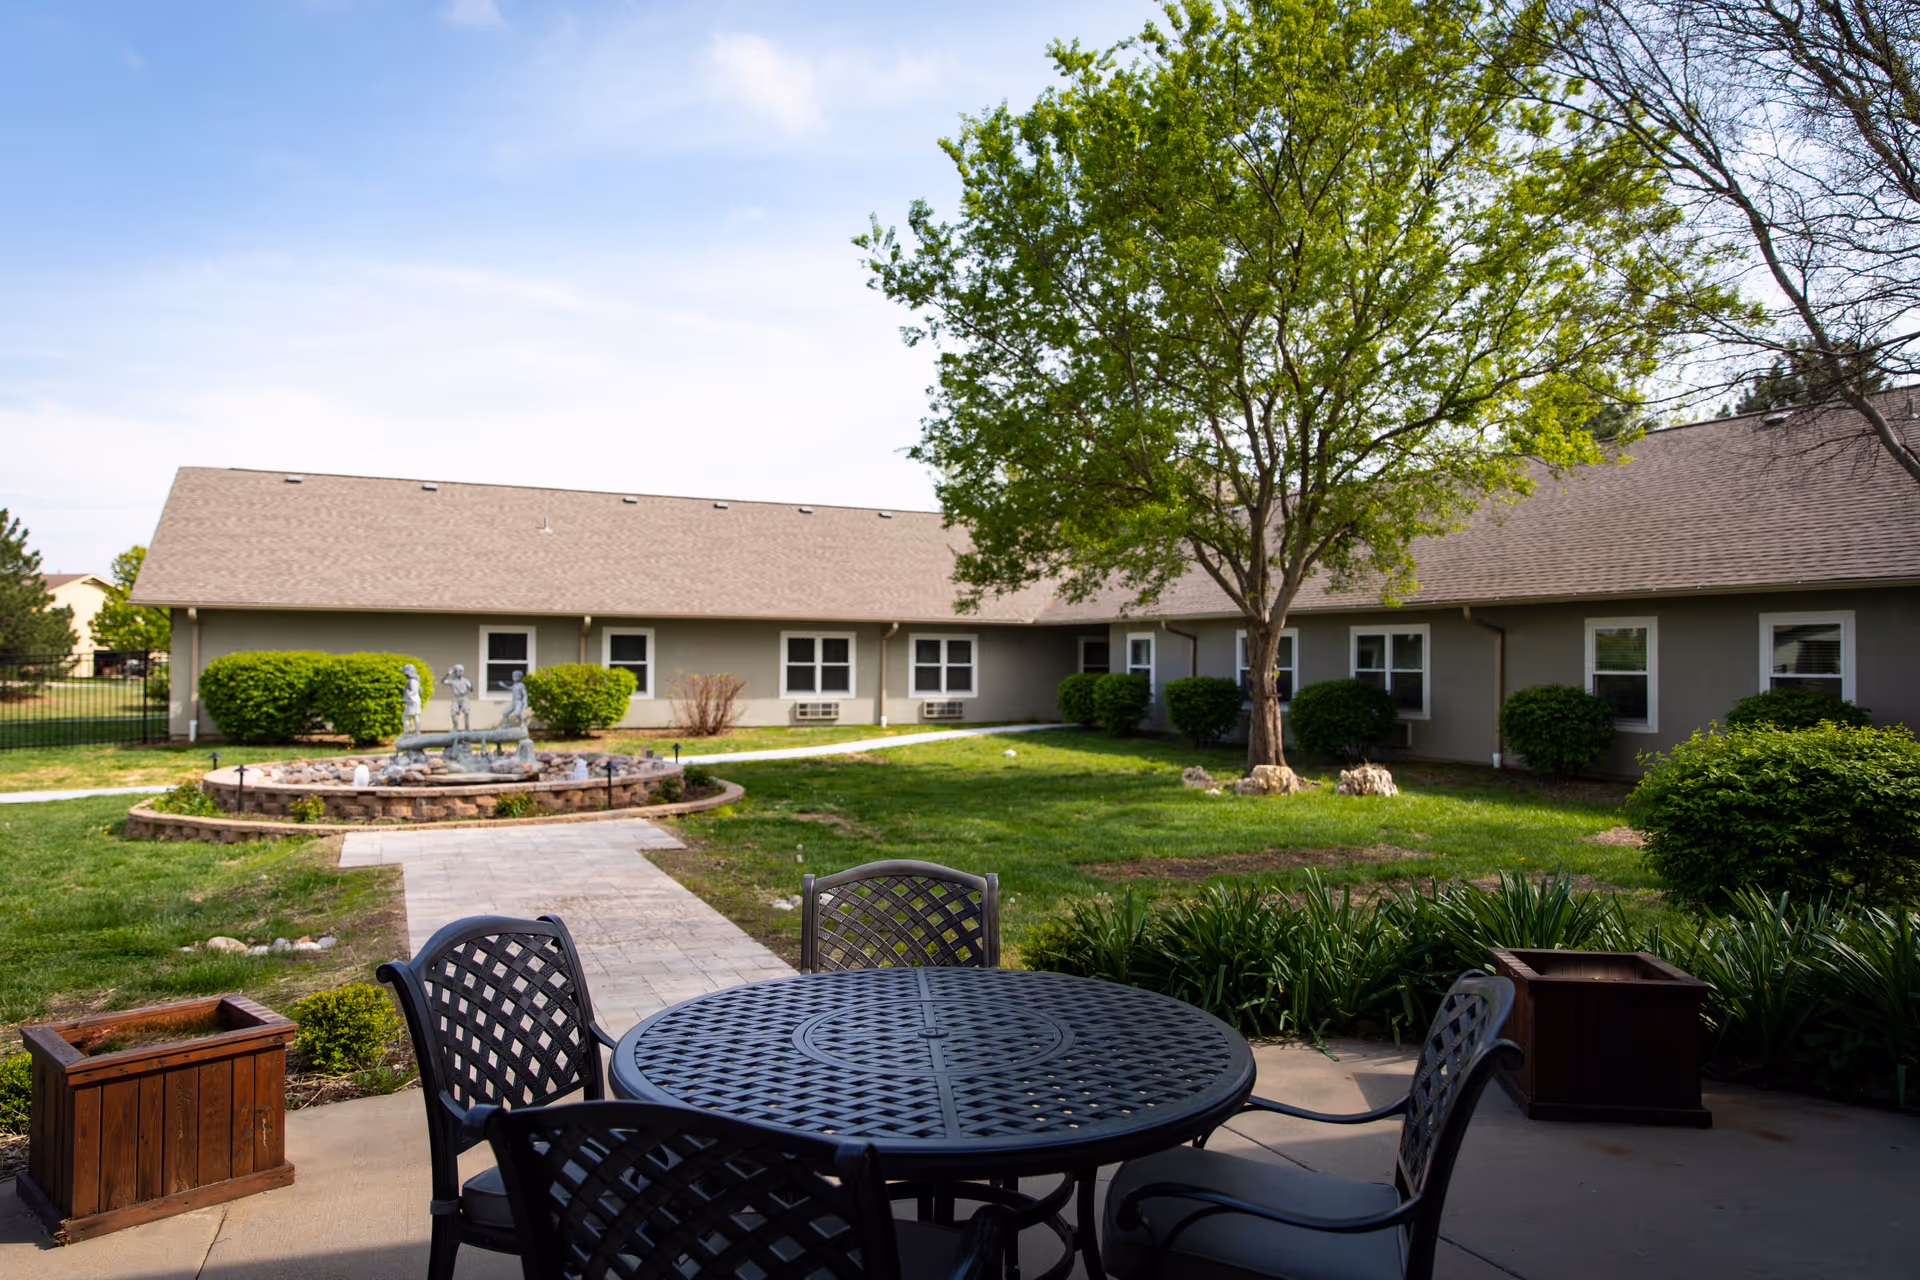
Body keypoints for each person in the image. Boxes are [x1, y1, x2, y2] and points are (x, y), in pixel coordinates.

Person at [443, 663, 474, 733]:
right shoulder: (452, 681)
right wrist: (448, 673)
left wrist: (470, 687)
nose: (460, 673)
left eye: (461, 671)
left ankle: (467, 727)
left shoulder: (465, 680)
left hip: (464, 697)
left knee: (466, 712)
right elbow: (443, 681)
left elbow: (471, 688)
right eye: (458, 671)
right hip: (456, 698)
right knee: (453, 713)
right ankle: (455, 727)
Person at [400, 664, 423, 737]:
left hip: (412, 701)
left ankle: (406, 733)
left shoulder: (412, 681)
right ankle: (417, 731)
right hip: (415, 700)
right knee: (415, 715)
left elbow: (414, 691)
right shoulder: (415, 680)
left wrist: (407, 695)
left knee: (405, 717)